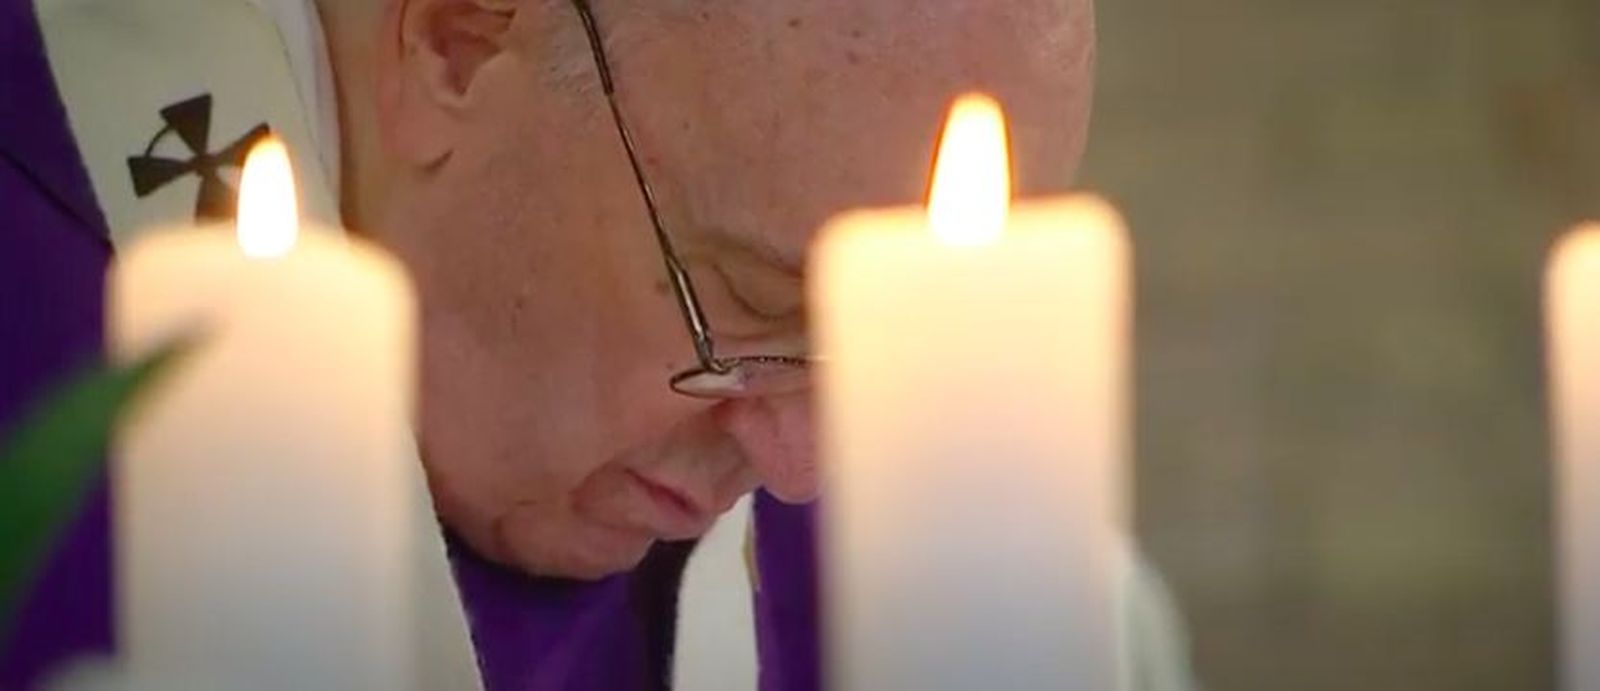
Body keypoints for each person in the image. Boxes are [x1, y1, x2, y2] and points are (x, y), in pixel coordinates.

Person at [0, 0, 1197, 688]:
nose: (803, 470)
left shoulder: (978, 572)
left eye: (916, 328)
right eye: (747, 303)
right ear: (455, 40)